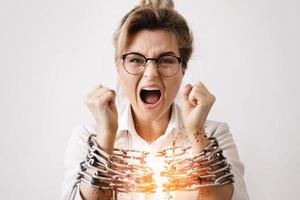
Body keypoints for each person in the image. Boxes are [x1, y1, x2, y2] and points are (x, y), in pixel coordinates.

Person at [61, 0, 249, 199]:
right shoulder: (88, 138)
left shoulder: (213, 136)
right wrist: (106, 137)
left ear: (183, 69)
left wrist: (196, 134)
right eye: (136, 59)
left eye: (166, 60)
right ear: (118, 66)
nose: (151, 74)